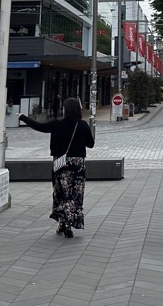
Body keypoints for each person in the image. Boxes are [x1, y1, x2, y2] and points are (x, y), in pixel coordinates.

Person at [19, 97, 94, 238]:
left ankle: (62, 222)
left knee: (61, 193)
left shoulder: (57, 124)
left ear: (66, 110)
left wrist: (23, 118)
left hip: (60, 163)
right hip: (77, 165)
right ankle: (69, 224)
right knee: (74, 196)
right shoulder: (82, 125)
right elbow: (90, 144)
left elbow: (39, 126)